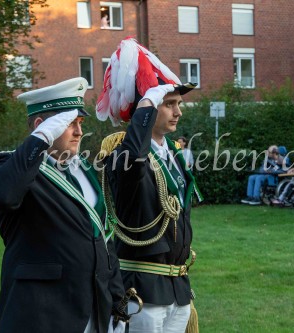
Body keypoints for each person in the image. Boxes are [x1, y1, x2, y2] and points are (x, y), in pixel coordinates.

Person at [0, 78, 128, 333]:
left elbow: (103, 238)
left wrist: (117, 302)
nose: (79, 132)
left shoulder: (84, 169)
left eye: (80, 123)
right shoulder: (9, 167)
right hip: (43, 316)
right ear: (42, 127)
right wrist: (40, 140)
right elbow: (3, 195)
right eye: (69, 124)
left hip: (95, 312)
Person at [96, 37, 203, 333]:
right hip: (143, 292)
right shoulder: (122, 154)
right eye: (169, 104)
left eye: (179, 104)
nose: (178, 112)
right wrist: (145, 104)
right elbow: (135, 160)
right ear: (148, 109)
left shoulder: (174, 154)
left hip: (176, 288)